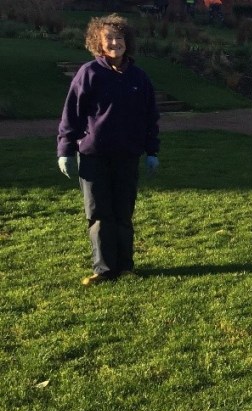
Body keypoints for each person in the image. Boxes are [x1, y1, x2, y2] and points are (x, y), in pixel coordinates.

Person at [57, 14, 160, 285]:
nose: (115, 43)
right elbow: (72, 114)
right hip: (94, 157)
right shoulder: (88, 74)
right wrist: (65, 150)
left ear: (128, 41)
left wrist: (152, 151)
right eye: (109, 39)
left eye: (120, 37)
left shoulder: (139, 77)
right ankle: (103, 269)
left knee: (123, 212)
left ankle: (125, 266)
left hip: (127, 155)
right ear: (99, 43)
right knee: (99, 213)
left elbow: (150, 117)